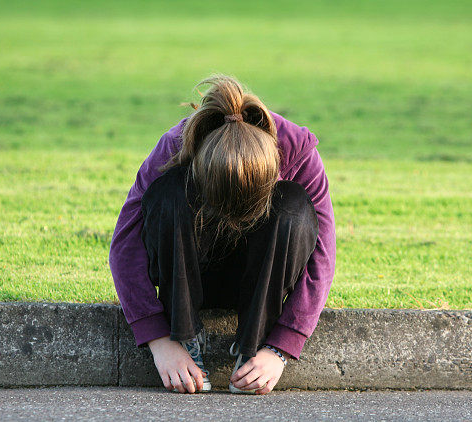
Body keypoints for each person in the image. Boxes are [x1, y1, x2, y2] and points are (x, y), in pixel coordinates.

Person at [108, 74, 336, 394]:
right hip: (191, 271)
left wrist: (280, 348)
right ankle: (186, 338)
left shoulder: (297, 149)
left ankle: (251, 349)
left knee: (295, 207)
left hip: (260, 276)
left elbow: (323, 256)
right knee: (168, 193)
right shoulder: (175, 146)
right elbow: (125, 246)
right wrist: (160, 341)